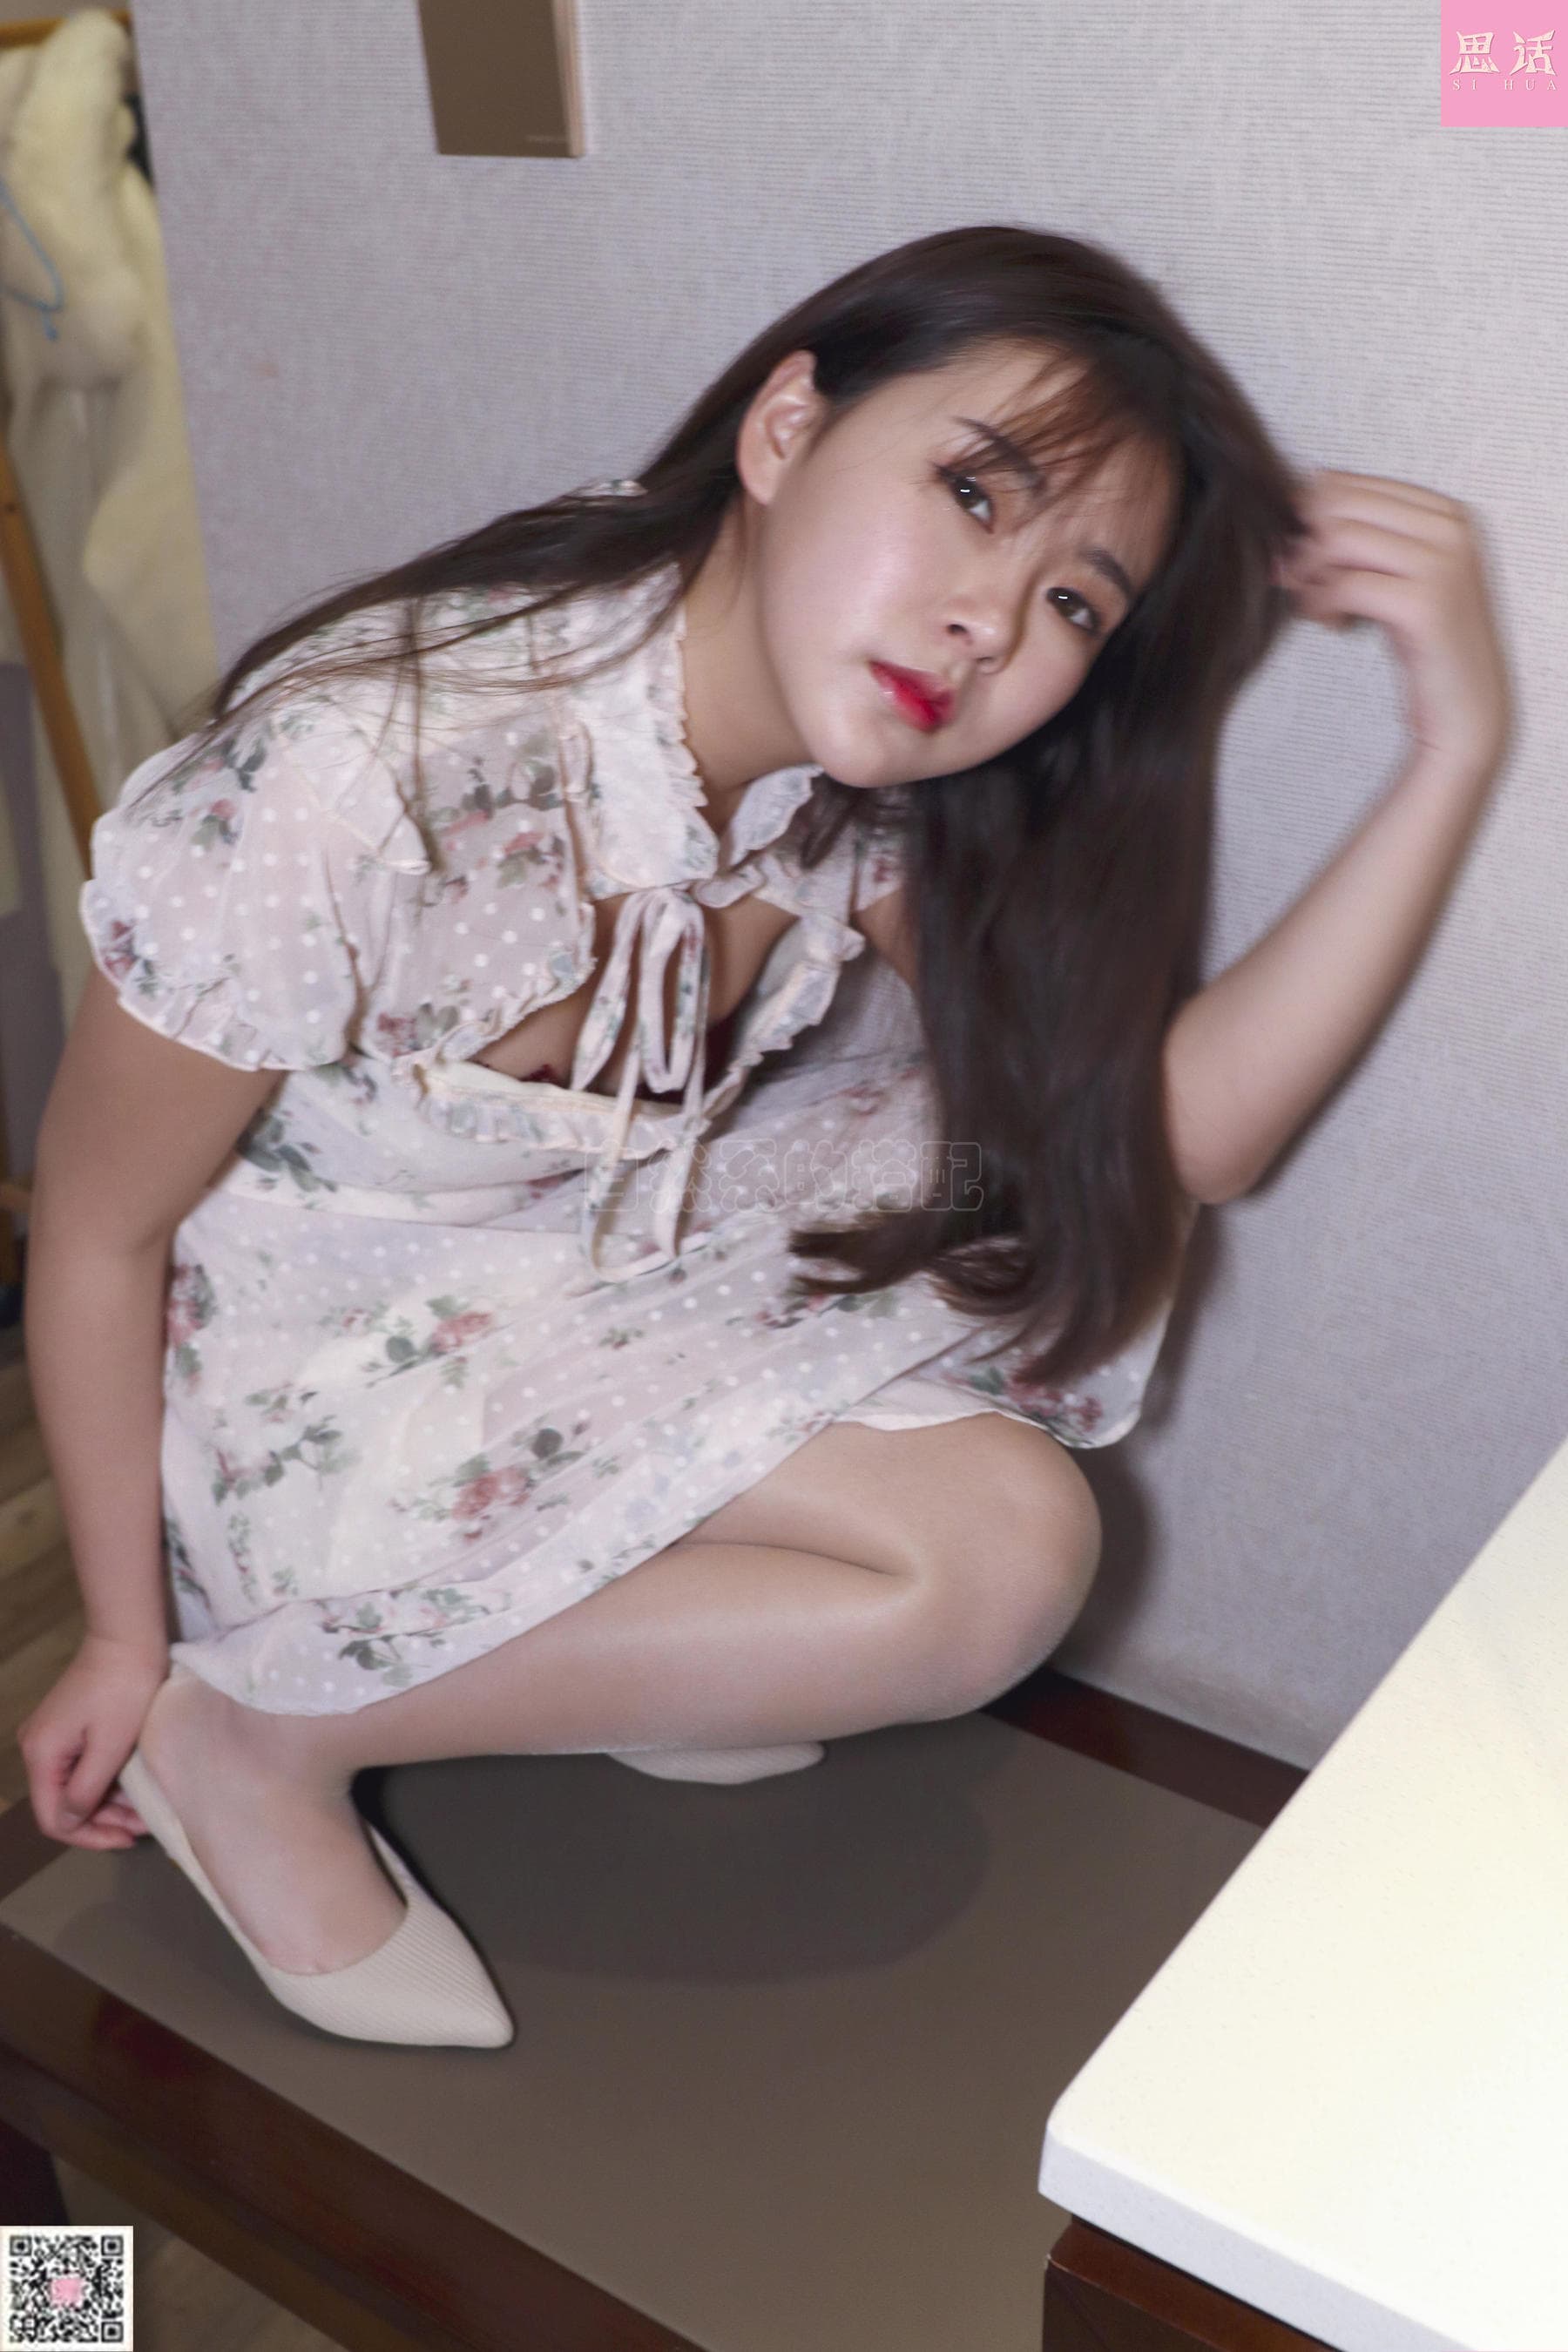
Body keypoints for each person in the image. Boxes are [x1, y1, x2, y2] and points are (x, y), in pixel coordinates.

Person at [17, 225, 1511, 2045]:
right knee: (986, 1568)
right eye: (972, 494)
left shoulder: (842, 777)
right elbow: (94, 1233)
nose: (990, 621)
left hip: (573, 1266)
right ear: (787, 427)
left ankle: (609, 1642)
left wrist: (1452, 745)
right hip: (304, 1372)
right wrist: (121, 1638)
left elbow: (1174, 1137)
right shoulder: (356, 777)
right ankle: (255, 1735)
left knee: (1021, 1258)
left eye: (1073, 604)